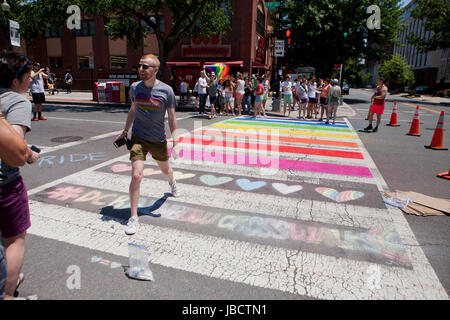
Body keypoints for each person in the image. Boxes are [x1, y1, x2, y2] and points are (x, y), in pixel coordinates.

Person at [115, 54, 179, 236]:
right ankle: (133, 217)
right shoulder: (135, 88)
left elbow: (173, 119)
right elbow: (132, 110)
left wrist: (175, 143)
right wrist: (125, 131)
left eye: (145, 67)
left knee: (166, 170)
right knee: (136, 175)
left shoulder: (166, 91)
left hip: (158, 139)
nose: (140, 69)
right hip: (138, 138)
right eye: (140, 66)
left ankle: (172, 183)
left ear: (155, 70)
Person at [0, 52, 40, 300]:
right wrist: (29, 155)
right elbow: (14, 147)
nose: (30, 79)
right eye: (27, 76)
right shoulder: (17, 101)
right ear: (16, 81)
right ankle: (7, 294)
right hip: (5, 183)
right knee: (14, 240)